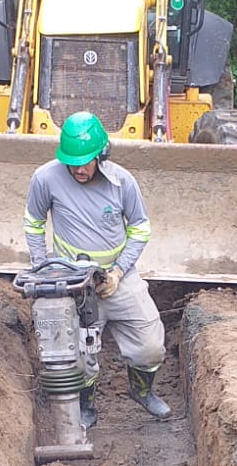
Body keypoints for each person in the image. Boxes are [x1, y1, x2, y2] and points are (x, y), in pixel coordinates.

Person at [23, 111, 171, 425]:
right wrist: (42, 269)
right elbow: (33, 224)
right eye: (72, 162)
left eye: (85, 161)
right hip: (74, 282)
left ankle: (141, 391)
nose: (78, 169)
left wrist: (118, 271)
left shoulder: (122, 182)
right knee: (78, 354)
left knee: (151, 346)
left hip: (118, 277)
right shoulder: (45, 178)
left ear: (102, 154)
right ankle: (87, 406)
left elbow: (141, 229)